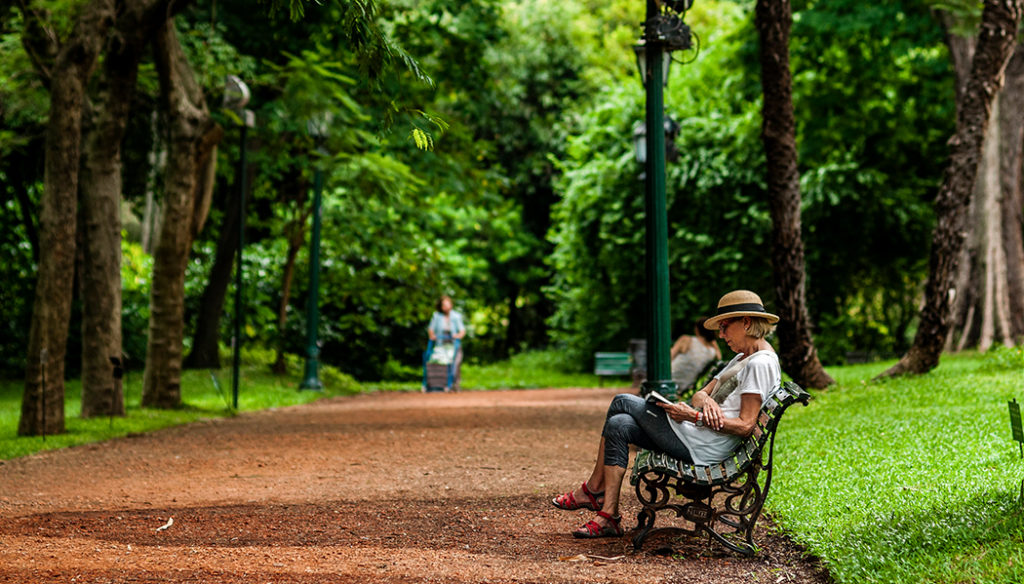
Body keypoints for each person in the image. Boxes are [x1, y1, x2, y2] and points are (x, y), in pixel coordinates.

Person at [550, 290, 781, 538]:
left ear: (746, 322)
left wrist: (696, 417)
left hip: (702, 445)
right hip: (694, 435)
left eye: (724, 326)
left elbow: (746, 425)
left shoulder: (760, 363)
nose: (721, 335)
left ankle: (593, 489)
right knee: (619, 424)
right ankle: (609, 516)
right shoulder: (742, 357)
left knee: (622, 401)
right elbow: (699, 395)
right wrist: (706, 403)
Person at [422, 295, 466, 392]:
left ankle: (455, 385)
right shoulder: (436, 316)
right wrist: (432, 335)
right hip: (441, 344)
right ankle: (439, 384)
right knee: (439, 362)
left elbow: (462, 330)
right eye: (444, 305)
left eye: (448, 304)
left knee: (455, 364)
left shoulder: (456, 316)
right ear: (440, 306)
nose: (446, 307)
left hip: (454, 344)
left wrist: (458, 336)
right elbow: (431, 329)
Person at [669, 317, 722, 390]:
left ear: (697, 329)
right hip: (683, 388)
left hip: (669, 379)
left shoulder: (686, 340)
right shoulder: (712, 352)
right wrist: (713, 340)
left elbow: (669, 356)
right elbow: (720, 357)